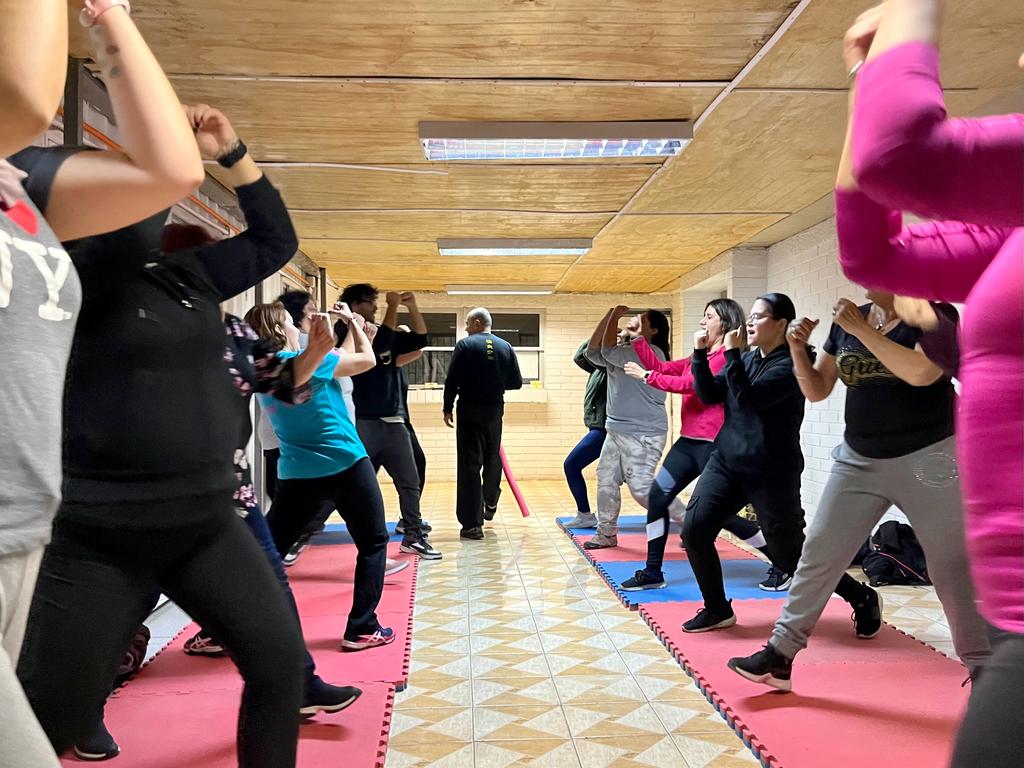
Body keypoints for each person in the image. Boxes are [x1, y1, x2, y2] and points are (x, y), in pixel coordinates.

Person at [13, 95, 310, 766]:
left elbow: (274, 241)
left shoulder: (187, 278)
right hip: (99, 537)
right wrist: (151, 146)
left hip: (206, 524)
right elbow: (130, 204)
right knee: (48, 719)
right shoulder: (61, 280)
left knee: (279, 666)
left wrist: (232, 155)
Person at [832, 3, 1022, 764]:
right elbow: (873, 254)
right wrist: (865, 81)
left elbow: (899, 156)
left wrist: (911, 9)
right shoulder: (1013, 228)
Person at [727, 291, 991, 690]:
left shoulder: (932, 315)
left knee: (949, 565)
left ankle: (985, 671)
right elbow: (817, 388)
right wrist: (798, 350)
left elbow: (923, 373)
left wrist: (861, 330)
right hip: (859, 458)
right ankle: (780, 655)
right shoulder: (852, 319)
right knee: (819, 551)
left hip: (928, 456)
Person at [680, 294, 878, 634]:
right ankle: (716, 609)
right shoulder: (745, 357)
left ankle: (860, 596)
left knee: (788, 557)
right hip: (727, 463)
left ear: (782, 324)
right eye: (750, 316)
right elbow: (711, 395)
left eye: (759, 317)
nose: (750, 323)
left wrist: (730, 354)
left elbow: (749, 399)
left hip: (771, 471)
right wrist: (700, 355)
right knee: (695, 530)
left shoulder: (791, 365)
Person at [254, 304, 397, 652]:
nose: (297, 327)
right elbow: (367, 360)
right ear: (279, 329)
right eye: (290, 322)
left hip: (297, 473)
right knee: (374, 542)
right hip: (345, 463)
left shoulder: (262, 370)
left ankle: (220, 631)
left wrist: (353, 334)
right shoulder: (307, 360)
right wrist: (352, 323)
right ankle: (361, 628)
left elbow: (337, 366)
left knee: (266, 554)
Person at [618, 299, 778, 591]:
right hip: (687, 445)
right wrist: (639, 339)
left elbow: (690, 386)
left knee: (721, 514)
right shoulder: (703, 355)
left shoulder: (727, 359)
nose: (703, 322)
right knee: (657, 498)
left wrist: (647, 377)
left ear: (725, 323)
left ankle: (780, 562)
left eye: (708, 317)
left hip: (713, 447)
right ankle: (653, 571)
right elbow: (664, 366)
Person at [341, 284, 440, 560]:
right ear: (355, 305)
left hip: (394, 422)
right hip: (364, 422)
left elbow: (420, 340)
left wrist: (412, 307)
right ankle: (304, 531)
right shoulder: (346, 331)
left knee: (409, 480)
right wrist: (393, 306)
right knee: (353, 483)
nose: (375, 308)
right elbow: (382, 341)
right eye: (371, 303)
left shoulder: (383, 336)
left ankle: (413, 535)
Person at [580, 306, 673, 551]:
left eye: (640, 321)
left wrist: (615, 317)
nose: (632, 323)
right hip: (616, 429)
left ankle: (690, 523)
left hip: (645, 432)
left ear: (653, 330)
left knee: (641, 490)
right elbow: (593, 351)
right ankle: (606, 534)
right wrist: (609, 314)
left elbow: (606, 349)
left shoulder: (651, 352)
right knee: (606, 478)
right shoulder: (622, 353)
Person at [443, 307, 523, 539]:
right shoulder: (505, 346)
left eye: (468, 323)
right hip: (495, 409)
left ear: (478, 323)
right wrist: (494, 384)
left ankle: (472, 525)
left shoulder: (465, 345)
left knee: (469, 464)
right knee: (491, 456)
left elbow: (452, 379)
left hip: (469, 409)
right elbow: (517, 382)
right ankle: (490, 499)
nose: (466, 328)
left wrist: (447, 407)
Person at [561, 340, 608, 528]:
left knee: (571, 465)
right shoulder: (597, 369)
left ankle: (585, 514)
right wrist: (600, 333)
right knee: (635, 482)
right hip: (598, 428)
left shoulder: (609, 367)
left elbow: (588, 355)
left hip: (604, 429)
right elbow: (580, 355)